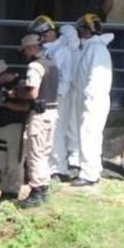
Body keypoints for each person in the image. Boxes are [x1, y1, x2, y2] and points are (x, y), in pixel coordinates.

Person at [13, 35, 60, 208]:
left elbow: (32, 93)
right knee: (45, 152)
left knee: (35, 154)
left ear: (31, 48)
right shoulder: (52, 63)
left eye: (25, 50)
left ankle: (37, 191)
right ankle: (44, 187)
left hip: (40, 115)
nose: (24, 54)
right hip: (53, 112)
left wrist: (17, 93)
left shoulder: (35, 66)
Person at [72, 13, 114, 187]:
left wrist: (89, 96)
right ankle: (91, 169)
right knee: (88, 134)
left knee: (89, 134)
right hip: (89, 97)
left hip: (93, 99)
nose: (80, 33)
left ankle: (89, 174)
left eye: (82, 29)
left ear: (88, 31)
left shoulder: (97, 49)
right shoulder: (91, 47)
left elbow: (96, 77)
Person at [0, 60, 31, 201]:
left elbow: (25, 107)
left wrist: (4, 104)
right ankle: (4, 188)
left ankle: (13, 190)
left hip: (15, 125)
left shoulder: (21, 85)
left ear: (4, 74)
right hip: (1, 125)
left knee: (14, 161)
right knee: (2, 160)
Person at [43, 24, 81, 181]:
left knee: (58, 132)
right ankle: (54, 167)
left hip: (59, 97)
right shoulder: (52, 50)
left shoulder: (62, 51)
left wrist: (58, 96)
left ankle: (59, 169)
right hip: (52, 96)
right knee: (53, 132)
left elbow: (65, 77)